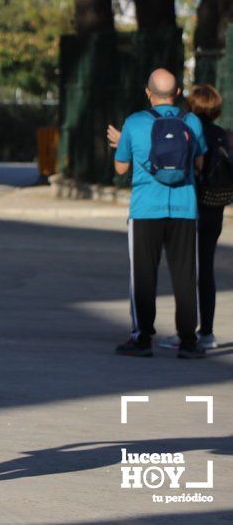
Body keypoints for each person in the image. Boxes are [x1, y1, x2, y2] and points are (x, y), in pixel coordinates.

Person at [107, 68, 207, 359]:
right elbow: (199, 163)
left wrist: (121, 144)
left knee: (143, 276)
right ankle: (188, 341)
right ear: (177, 94)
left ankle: (142, 339)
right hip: (184, 209)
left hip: (145, 210)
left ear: (148, 92)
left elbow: (120, 168)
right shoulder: (192, 122)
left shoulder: (134, 123)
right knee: (185, 277)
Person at [159, 85, 228, 351]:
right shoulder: (222, 135)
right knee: (206, 270)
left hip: (192, 208)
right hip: (216, 207)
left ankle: (185, 332)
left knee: (186, 271)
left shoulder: (189, 131)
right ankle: (207, 332)